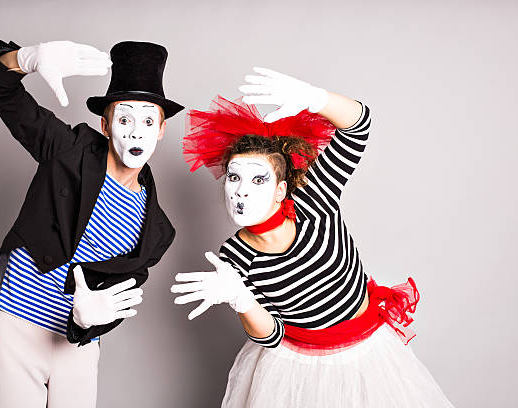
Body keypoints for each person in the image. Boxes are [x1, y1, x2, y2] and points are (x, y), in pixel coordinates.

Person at [171, 67, 454, 407]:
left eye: (257, 180)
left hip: (368, 355)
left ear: (281, 190)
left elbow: (358, 125)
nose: (241, 192)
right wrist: (241, 299)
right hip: (295, 370)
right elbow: (271, 336)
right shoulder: (233, 255)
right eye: (234, 178)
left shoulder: (313, 200)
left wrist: (315, 99)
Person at [0, 39, 183, 408]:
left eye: (149, 120)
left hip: (76, 343)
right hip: (17, 327)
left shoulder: (157, 232)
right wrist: (24, 59)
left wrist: (89, 323)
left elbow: (113, 303)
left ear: (162, 129)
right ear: (105, 125)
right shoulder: (68, 150)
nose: (136, 132)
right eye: (125, 119)